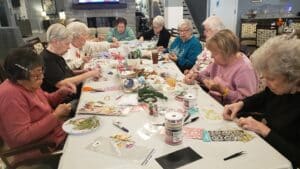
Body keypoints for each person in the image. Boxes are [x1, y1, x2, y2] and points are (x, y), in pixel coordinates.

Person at [222, 35, 300, 168]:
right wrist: (241, 104)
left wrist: (263, 129)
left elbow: (297, 156)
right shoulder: (281, 88)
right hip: (266, 150)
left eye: (271, 79)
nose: (266, 83)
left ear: (293, 77)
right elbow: (264, 96)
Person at [0, 48, 74, 167]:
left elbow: (45, 99)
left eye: (41, 72)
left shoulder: (28, 83)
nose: (42, 78)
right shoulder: (10, 96)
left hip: (57, 134)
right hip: (42, 149)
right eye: (37, 75)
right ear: (20, 76)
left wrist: (60, 93)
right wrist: (55, 116)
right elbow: (20, 136)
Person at [184, 29, 258, 105]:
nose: (212, 56)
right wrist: (195, 75)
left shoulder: (245, 69)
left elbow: (248, 101)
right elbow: (203, 74)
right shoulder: (220, 61)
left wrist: (223, 91)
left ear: (227, 52)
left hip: (229, 111)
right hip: (212, 103)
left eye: (214, 53)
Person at [40, 23, 99, 102]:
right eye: (67, 44)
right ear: (55, 41)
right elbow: (62, 83)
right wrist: (89, 74)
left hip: (75, 93)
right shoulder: (47, 59)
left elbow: (66, 74)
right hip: (66, 101)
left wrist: (82, 71)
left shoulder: (57, 55)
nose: (68, 47)